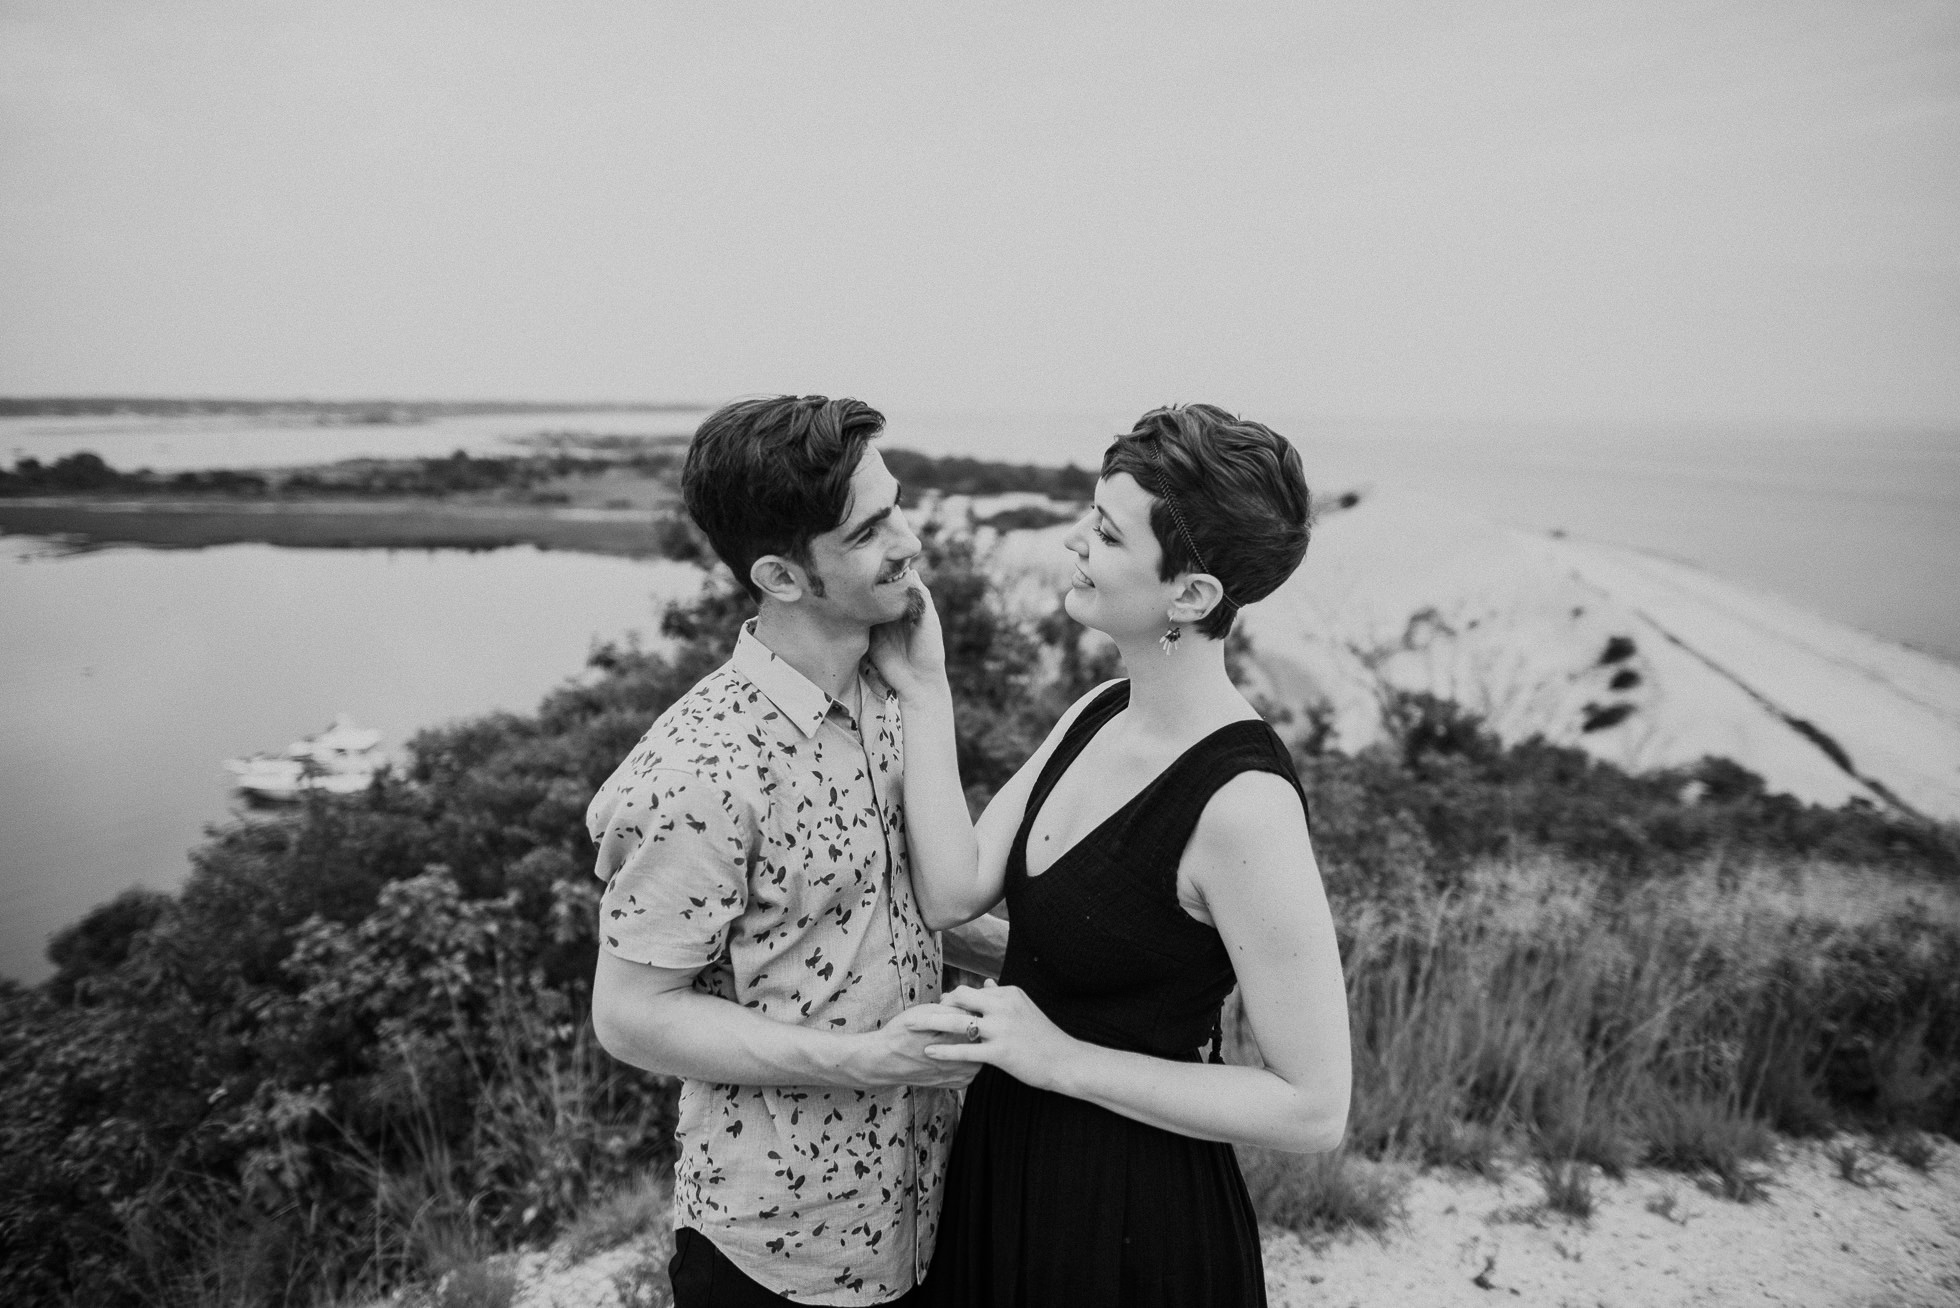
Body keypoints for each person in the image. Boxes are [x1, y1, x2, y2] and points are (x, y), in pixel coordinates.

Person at [870, 403, 1351, 1308]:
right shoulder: (1098, 708)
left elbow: (1314, 1108)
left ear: (1192, 595)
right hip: (1008, 1165)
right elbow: (952, 890)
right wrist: (926, 691)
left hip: (1134, 1217)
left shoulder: (1244, 806)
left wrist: (1058, 1059)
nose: (1073, 545)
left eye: (1104, 532)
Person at [588, 395, 1007, 1308]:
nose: (909, 541)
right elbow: (630, 1016)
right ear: (781, 576)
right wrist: (866, 1062)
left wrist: (1066, 956)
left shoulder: (892, 693)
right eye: (868, 532)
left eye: (896, 505)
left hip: (933, 1207)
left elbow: (884, 905)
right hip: (781, 1252)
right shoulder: (698, 772)